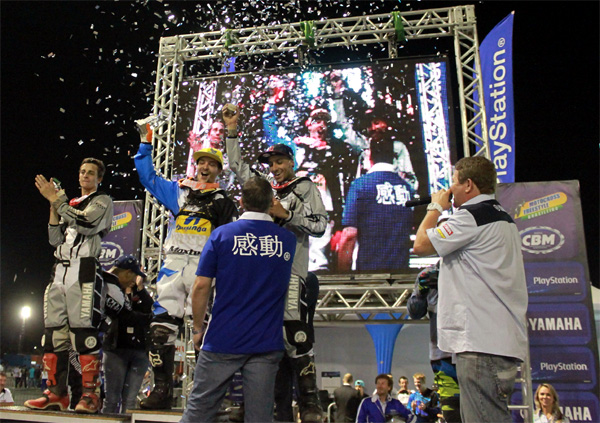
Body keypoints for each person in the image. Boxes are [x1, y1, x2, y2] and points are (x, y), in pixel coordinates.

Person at [224, 103, 328, 422]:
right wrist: (231, 130)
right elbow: (238, 166)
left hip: (292, 273)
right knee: (256, 337)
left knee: (296, 334)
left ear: (291, 161)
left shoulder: (305, 187)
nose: (275, 167)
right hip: (261, 276)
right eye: (271, 163)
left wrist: (288, 214)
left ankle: (310, 404)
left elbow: (321, 225)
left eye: (280, 161)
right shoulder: (263, 189)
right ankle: (252, 404)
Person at [413, 156, 529, 423]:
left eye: (453, 182)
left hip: (481, 345)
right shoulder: (502, 217)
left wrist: (435, 207)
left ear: (468, 185)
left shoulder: (471, 216)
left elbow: (420, 244)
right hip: (496, 342)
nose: (449, 189)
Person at [133, 119, 239, 409]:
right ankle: (161, 391)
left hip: (204, 272)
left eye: (211, 164)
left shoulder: (224, 201)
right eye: (201, 162)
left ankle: (208, 398)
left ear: (218, 170)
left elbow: (230, 243)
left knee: (205, 336)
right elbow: (148, 178)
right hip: (172, 266)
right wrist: (145, 144)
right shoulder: (180, 191)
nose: (205, 167)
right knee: (159, 332)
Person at [180, 176, 297, 423]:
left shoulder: (221, 235)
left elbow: (201, 286)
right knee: (260, 418)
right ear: (272, 202)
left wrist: (198, 328)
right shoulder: (287, 241)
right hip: (266, 342)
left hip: (223, 338)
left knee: (198, 412)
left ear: (241, 202)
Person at [25, 158, 114, 413]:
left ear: (99, 179)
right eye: (82, 172)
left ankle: (91, 395)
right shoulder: (70, 203)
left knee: (84, 334)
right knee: (53, 334)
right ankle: (56, 393)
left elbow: (87, 223)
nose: (85, 176)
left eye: (91, 173)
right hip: (60, 269)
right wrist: (53, 205)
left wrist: (57, 201)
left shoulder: (102, 200)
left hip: (83, 269)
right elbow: (54, 239)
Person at [294, 107, 360, 273]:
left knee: (319, 259)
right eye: (317, 121)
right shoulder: (296, 148)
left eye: (325, 122)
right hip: (297, 211)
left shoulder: (336, 150)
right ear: (308, 124)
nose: (321, 125)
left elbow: (353, 150)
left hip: (324, 210)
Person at [337, 136, 413, 272]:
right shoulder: (407, 188)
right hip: (401, 274)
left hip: (370, 274)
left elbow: (349, 235)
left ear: (370, 155)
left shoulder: (361, 185)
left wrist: (342, 274)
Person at [407, 253, 461, 423]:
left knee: (478, 410)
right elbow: (415, 312)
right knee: (452, 414)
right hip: (442, 356)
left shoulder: (472, 269)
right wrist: (421, 291)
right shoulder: (428, 274)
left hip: (472, 352)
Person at [101, 255, 153, 414]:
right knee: (111, 399)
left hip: (138, 351)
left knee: (130, 402)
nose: (134, 280)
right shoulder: (108, 286)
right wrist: (147, 318)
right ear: (128, 272)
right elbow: (125, 316)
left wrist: (140, 289)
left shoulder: (135, 293)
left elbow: (150, 309)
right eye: (134, 275)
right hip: (116, 349)